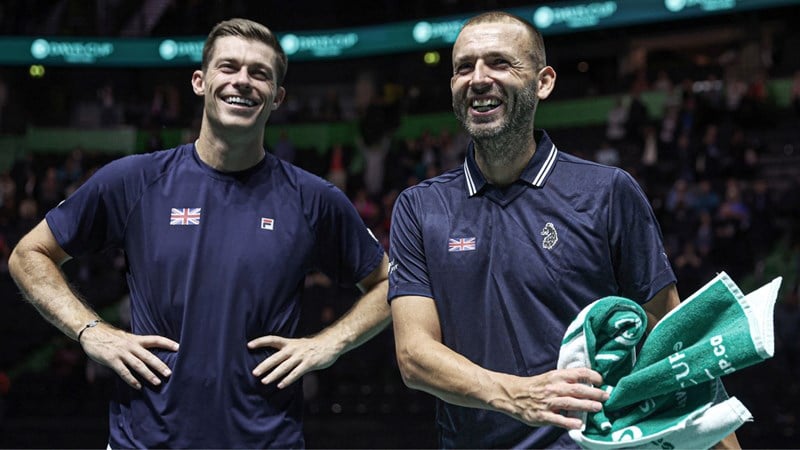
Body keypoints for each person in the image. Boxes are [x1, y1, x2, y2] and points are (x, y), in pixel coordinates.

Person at [8, 18, 390, 449]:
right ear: (199, 81)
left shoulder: (313, 199)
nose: (242, 81)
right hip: (144, 441)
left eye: (259, 73)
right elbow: (29, 255)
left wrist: (330, 343)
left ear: (278, 97)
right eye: (228, 67)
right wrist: (92, 331)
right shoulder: (135, 181)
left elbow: (389, 282)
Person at [388, 12, 740, 449]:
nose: (478, 79)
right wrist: (519, 395)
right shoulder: (419, 207)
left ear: (543, 82)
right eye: (464, 67)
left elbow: (674, 342)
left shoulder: (608, 192)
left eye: (499, 63)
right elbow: (414, 357)